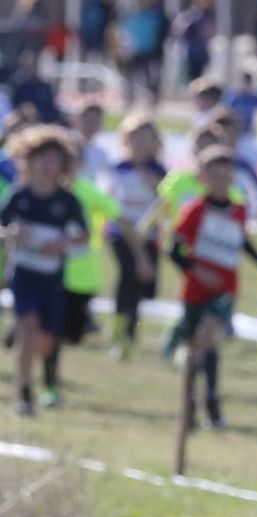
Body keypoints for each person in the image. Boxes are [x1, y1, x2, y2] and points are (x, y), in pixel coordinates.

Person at [167, 146, 257, 429]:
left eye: (226, 176)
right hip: (195, 290)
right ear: (202, 177)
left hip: (224, 290)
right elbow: (173, 249)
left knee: (208, 337)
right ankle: (190, 406)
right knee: (197, 348)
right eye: (214, 176)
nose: (221, 181)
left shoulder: (239, 210)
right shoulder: (195, 210)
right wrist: (197, 271)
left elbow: (242, 243)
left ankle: (213, 405)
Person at [50, 132, 146, 399]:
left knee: (73, 335)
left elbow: (123, 220)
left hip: (83, 277)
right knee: (52, 332)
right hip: (50, 274)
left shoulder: (89, 192)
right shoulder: (41, 191)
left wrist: (141, 256)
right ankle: (50, 383)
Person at [1, 126, 86, 417]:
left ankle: (41, 373)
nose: (48, 166)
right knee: (27, 327)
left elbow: (84, 236)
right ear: (29, 159)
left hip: (51, 278)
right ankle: (24, 393)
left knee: (45, 341)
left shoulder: (67, 200)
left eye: (55, 160)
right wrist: (12, 232)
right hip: (23, 273)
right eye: (42, 158)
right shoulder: (19, 195)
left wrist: (61, 242)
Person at [107, 113, 166, 359]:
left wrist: (154, 182)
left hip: (149, 236)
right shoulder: (118, 168)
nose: (141, 143)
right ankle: (123, 335)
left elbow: (166, 202)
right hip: (121, 232)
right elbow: (110, 198)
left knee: (146, 287)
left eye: (146, 138)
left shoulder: (160, 171)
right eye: (135, 138)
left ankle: (131, 328)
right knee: (128, 277)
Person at [172, 0, 213, 87]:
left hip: (202, 51)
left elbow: (209, 32)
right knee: (193, 76)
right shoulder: (189, 15)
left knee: (200, 77)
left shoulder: (207, 15)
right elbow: (181, 32)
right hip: (191, 52)